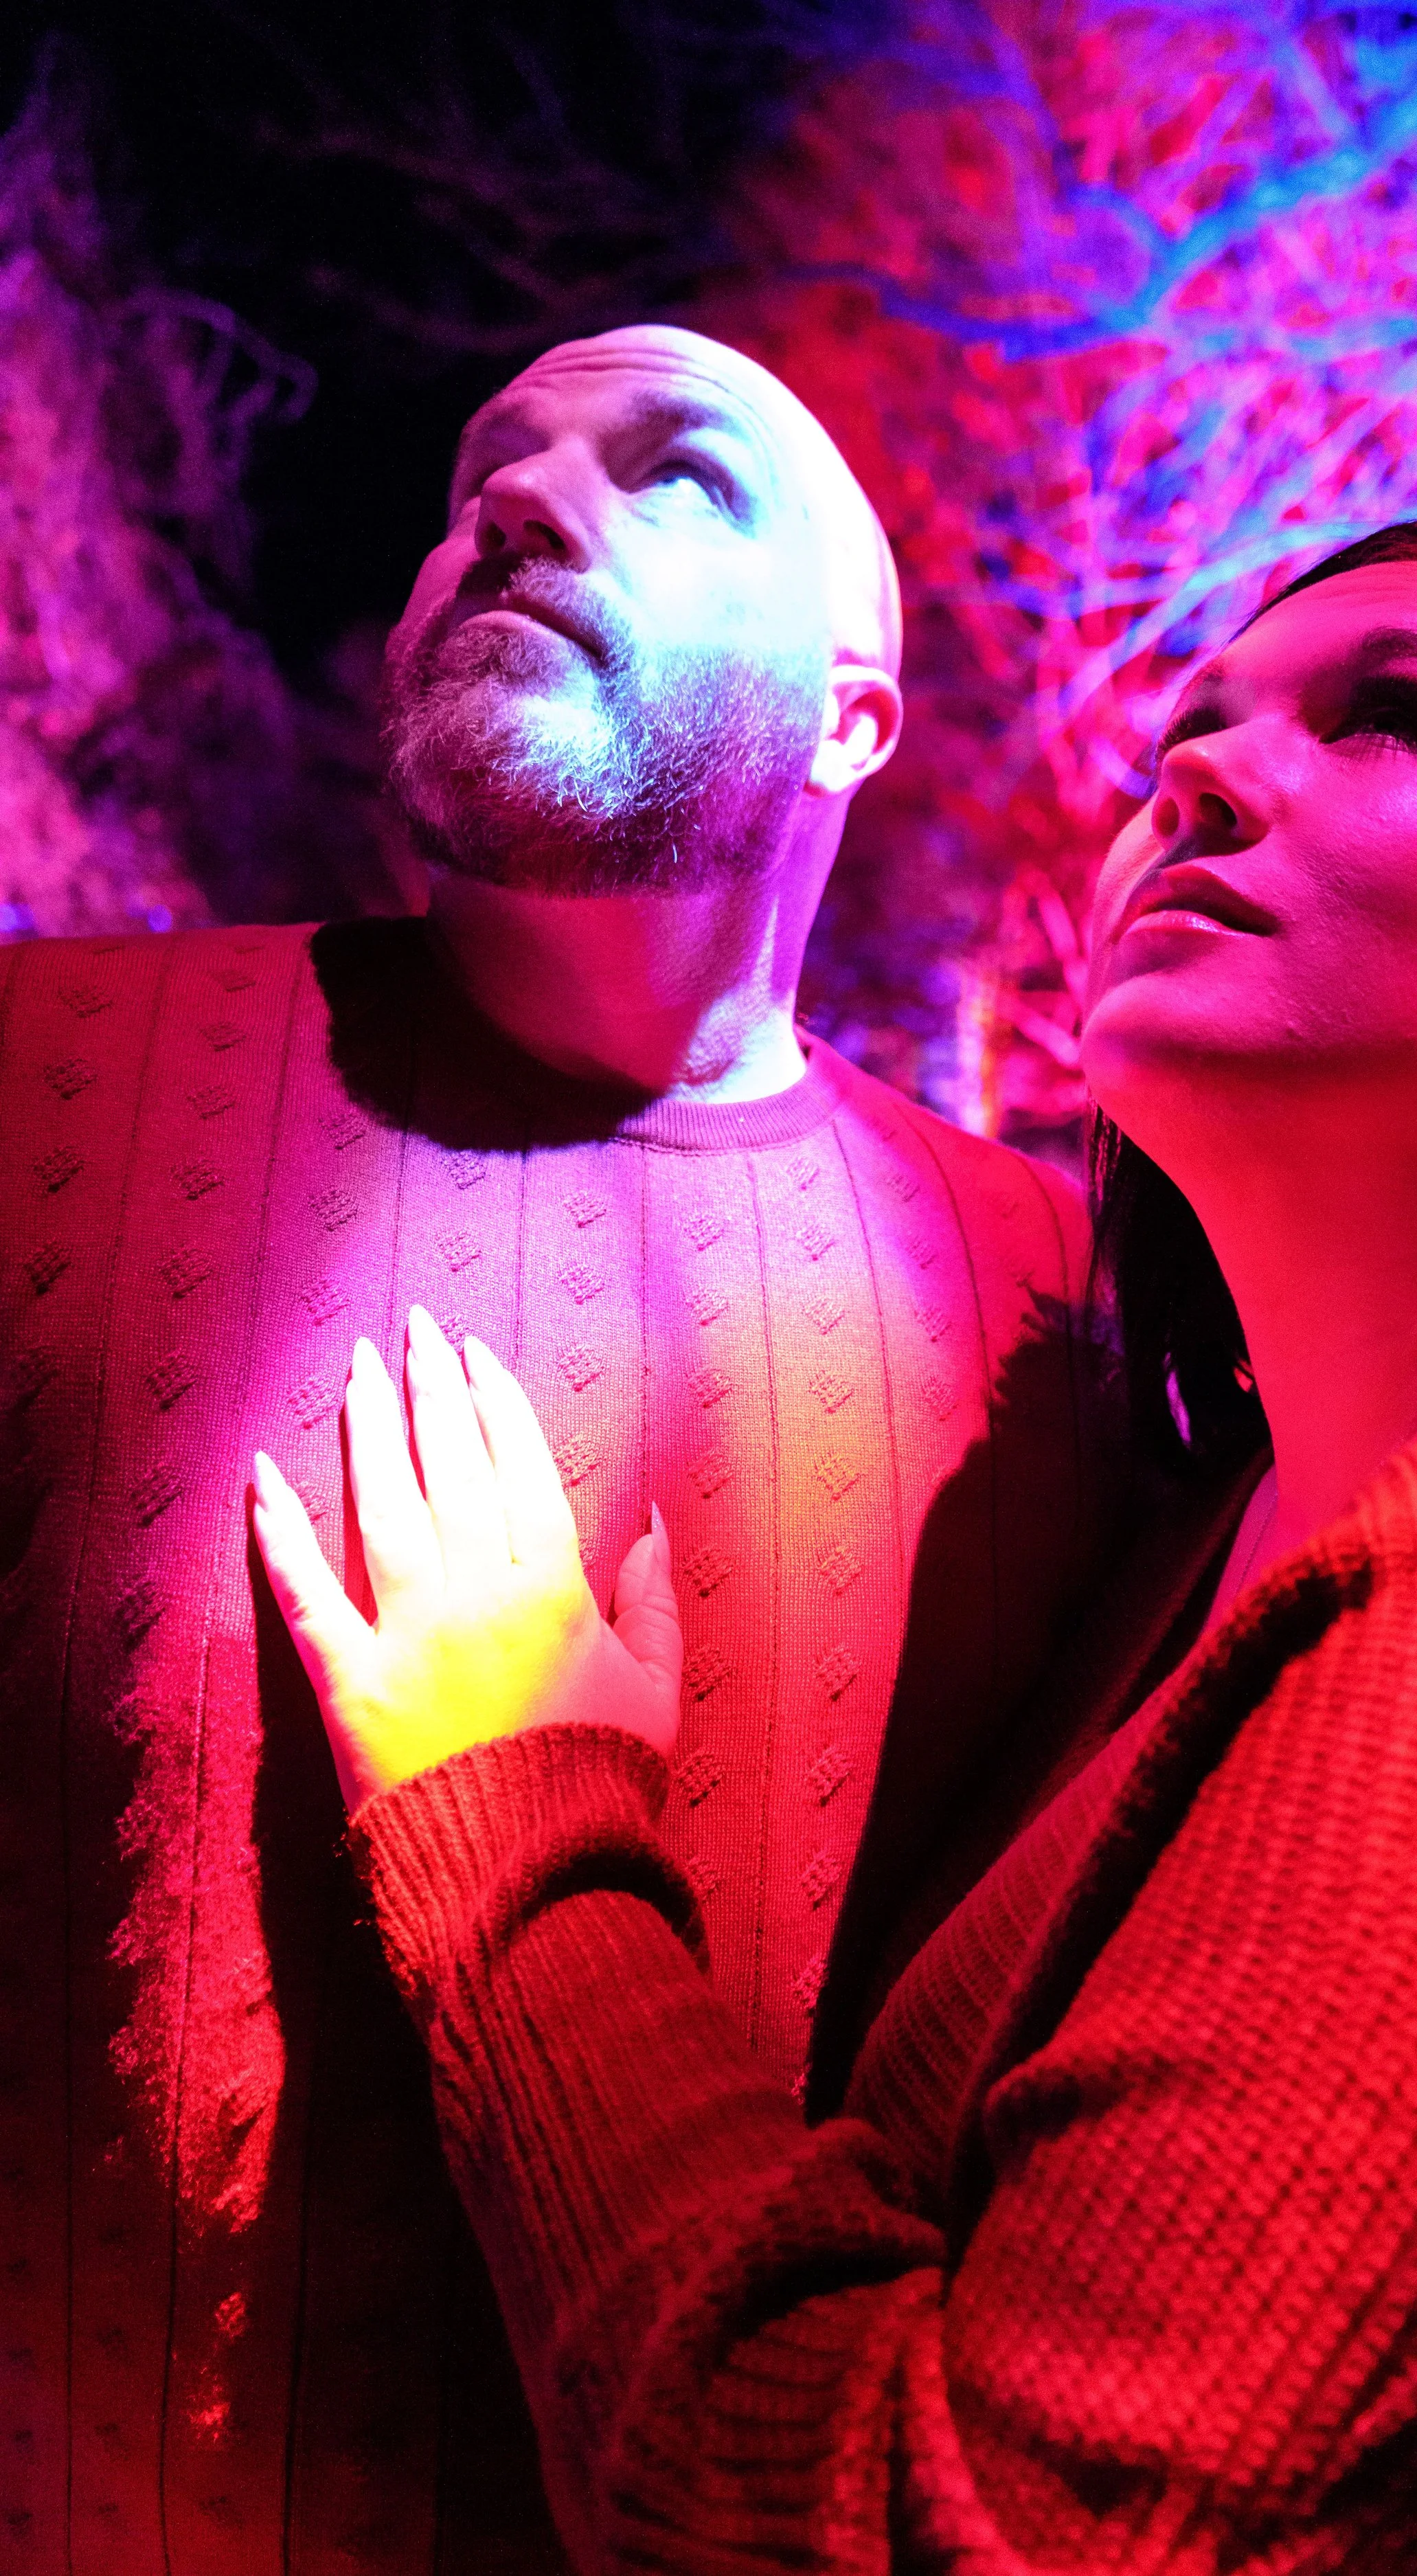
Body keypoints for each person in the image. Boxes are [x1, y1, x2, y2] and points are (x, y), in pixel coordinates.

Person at [258, 517, 1417, 2573]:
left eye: (1394, 718)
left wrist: (521, 1822)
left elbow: (982, 2533)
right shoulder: (1196, 1539)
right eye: (1187, 734)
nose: (1197, 774)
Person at [0, 327, 1118, 2571]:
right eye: (482, 473)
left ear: (851, 711)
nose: (511, 506)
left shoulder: (1059, 1321)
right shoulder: (45, 1082)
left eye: (674, 471)